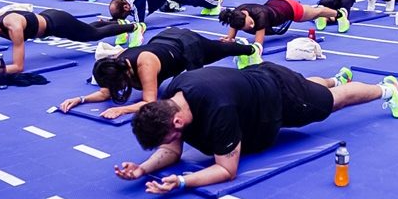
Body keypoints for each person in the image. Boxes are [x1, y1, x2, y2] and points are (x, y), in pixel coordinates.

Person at [114, 62, 398, 192]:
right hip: (257, 79)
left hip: (281, 96)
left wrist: (181, 182)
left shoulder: (219, 110)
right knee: (311, 88)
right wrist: (143, 169)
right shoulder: (172, 98)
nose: (171, 142)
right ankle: (335, 78)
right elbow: (172, 150)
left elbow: (226, 170)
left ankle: (387, 90)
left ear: (176, 122)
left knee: (333, 101)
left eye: (170, 136)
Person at [60, 29, 260, 118]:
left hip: (187, 45)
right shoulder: (116, 65)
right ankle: (241, 48)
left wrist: (122, 110)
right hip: (163, 41)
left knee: (208, 68)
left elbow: (149, 101)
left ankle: (250, 49)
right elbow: (105, 93)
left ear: (124, 74)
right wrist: (81, 99)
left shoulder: (144, 64)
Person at [0, 8, 139, 80]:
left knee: (92, 35)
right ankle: (115, 23)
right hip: (49, 19)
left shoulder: (12, 25)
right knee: (86, 30)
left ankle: (134, 27)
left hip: (57, 23)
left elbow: (18, 67)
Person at [220, 0, 342, 46]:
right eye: (248, 27)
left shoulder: (260, 16)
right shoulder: (236, 14)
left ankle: (339, 14)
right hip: (274, 3)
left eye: (251, 23)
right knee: (311, 11)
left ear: (246, 14)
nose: (252, 26)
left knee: (316, 12)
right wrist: (230, 38)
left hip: (290, 8)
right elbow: (233, 24)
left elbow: (258, 45)